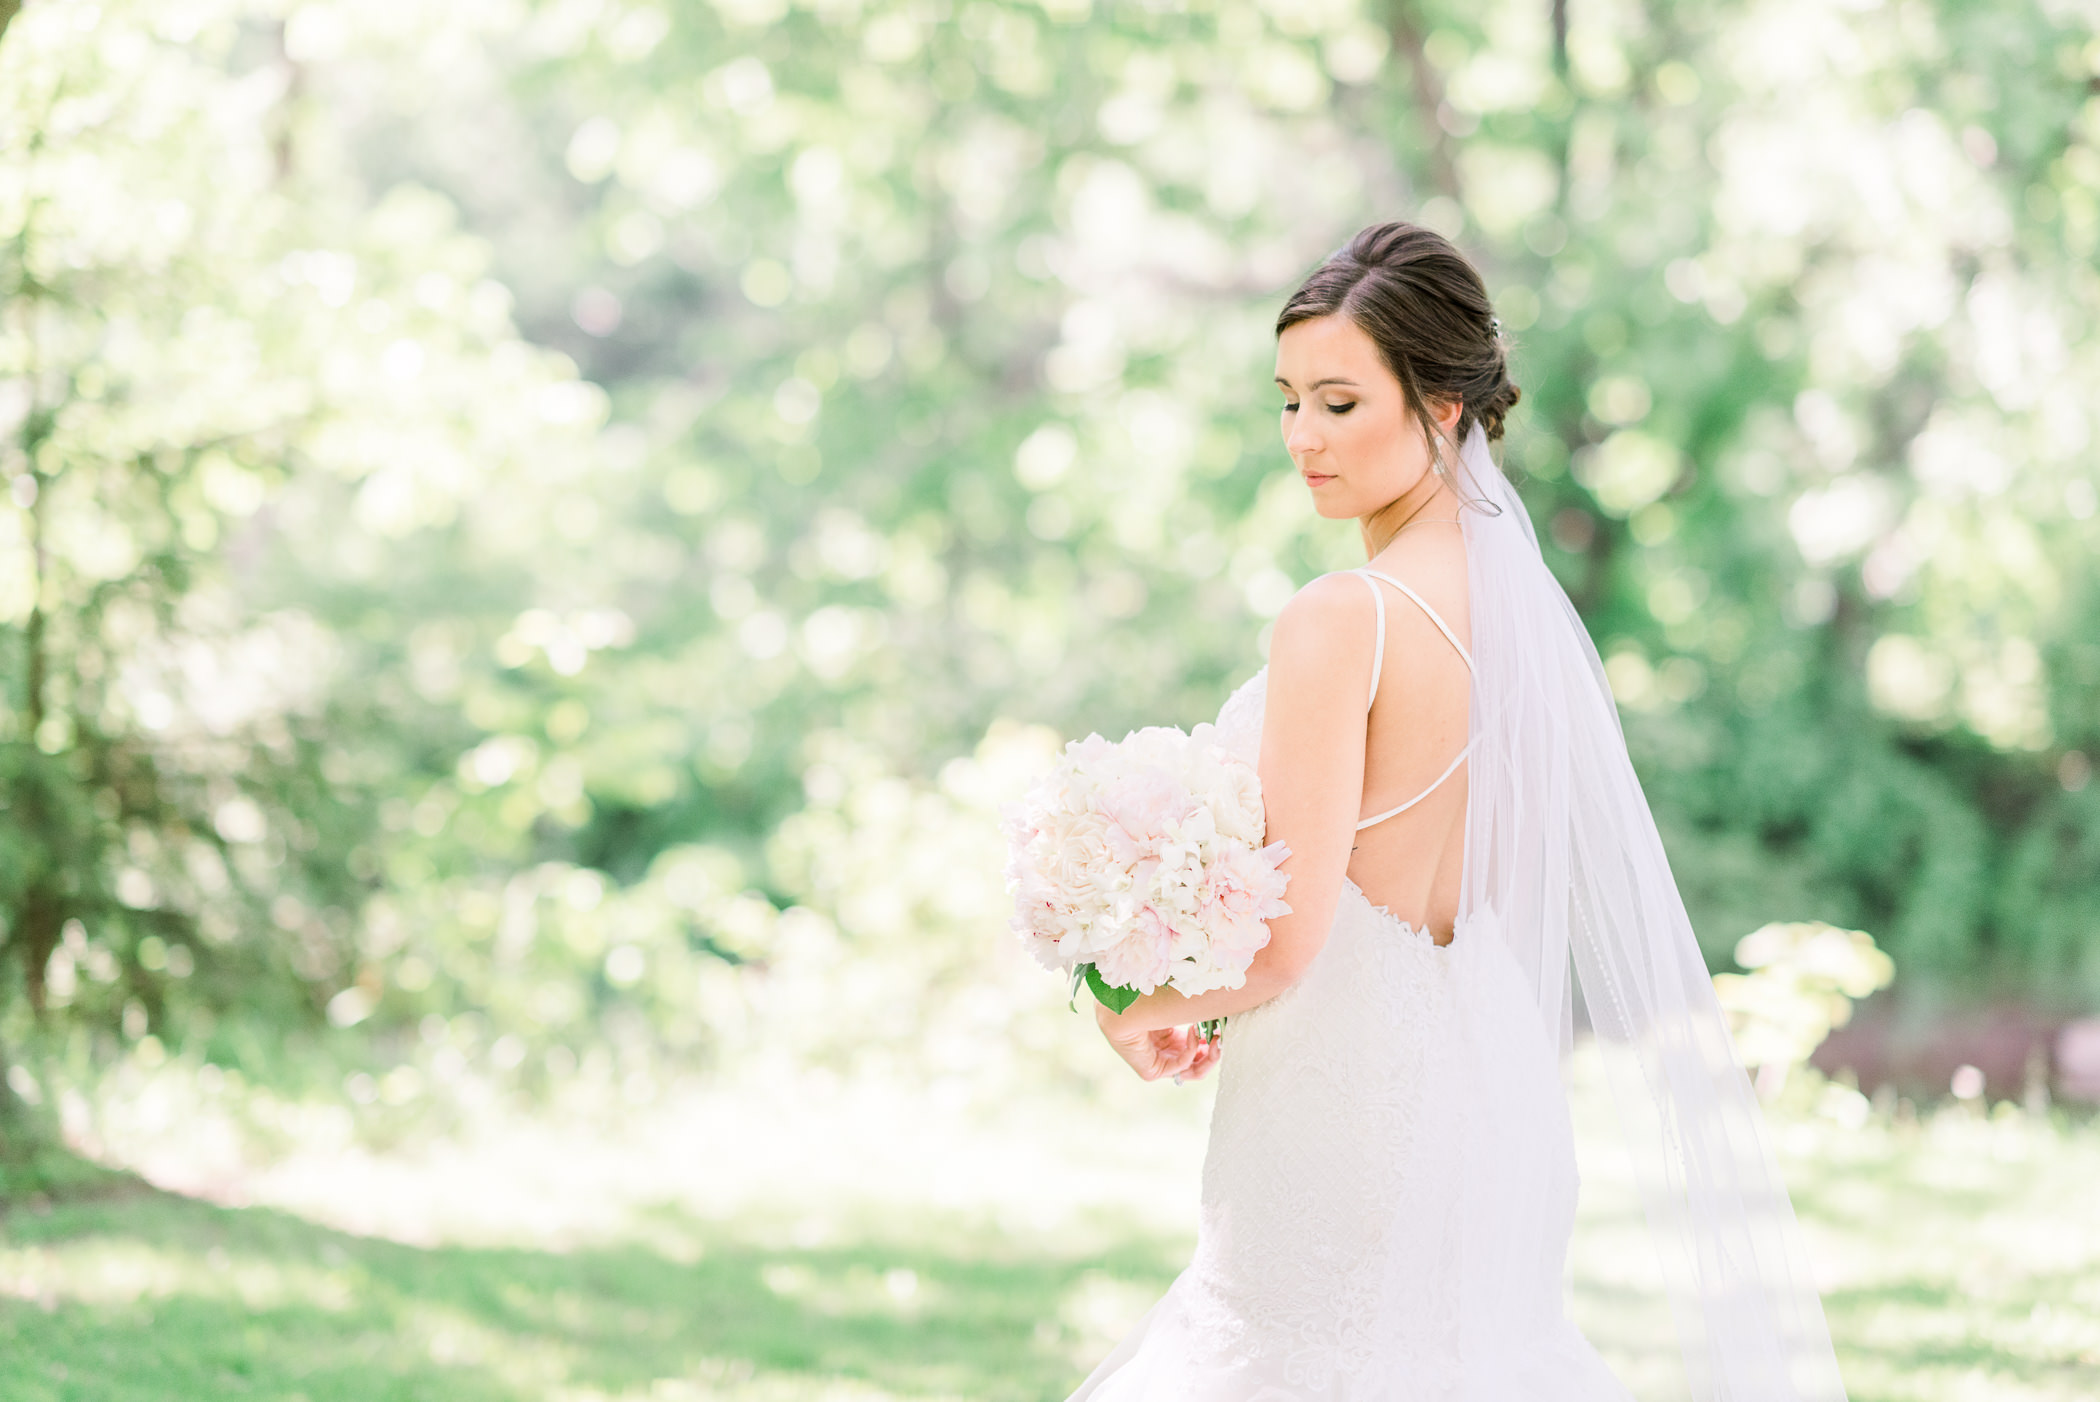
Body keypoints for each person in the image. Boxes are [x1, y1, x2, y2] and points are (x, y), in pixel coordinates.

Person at [1068, 222, 1848, 1400]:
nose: (1301, 439)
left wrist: (1126, 999)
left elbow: (1289, 944)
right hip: (1493, 1098)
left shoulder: (1345, 617)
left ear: (1442, 408)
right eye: (1287, 401)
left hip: (1343, 1126)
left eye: (1339, 402)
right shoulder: (1523, 613)